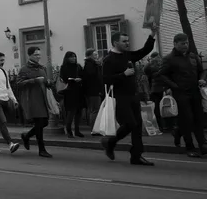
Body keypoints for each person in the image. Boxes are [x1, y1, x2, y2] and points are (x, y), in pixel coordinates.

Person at [101, 29, 156, 166]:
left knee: (137, 126)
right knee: (130, 123)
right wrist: (123, 75)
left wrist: (152, 35)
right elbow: (105, 80)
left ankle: (136, 156)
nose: (127, 43)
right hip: (120, 96)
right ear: (115, 42)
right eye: (124, 41)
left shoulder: (127, 55)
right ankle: (110, 142)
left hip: (133, 94)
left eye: (128, 40)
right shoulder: (108, 60)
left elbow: (144, 51)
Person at [157, 33, 207, 158]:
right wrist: (173, 86)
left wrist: (202, 79)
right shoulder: (169, 59)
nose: (185, 45)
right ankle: (189, 147)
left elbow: (202, 71)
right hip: (181, 93)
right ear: (175, 44)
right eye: (182, 43)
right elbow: (162, 74)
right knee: (188, 119)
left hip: (195, 91)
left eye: (186, 43)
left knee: (198, 118)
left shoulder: (193, 57)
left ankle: (202, 145)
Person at [17, 47, 53, 158]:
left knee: (44, 122)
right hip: (32, 98)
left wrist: (48, 82)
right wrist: (34, 80)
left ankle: (27, 136)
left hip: (42, 98)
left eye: (39, 54)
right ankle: (41, 149)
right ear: (30, 55)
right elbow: (19, 83)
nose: (38, 57)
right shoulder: (24, 69)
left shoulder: (42, 68)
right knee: (39, 123)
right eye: (36, 55)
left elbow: (46, 82)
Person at [60, 51, 85, 138]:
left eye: (74, 57)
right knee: (71, 111)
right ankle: (69, 130)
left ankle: (77, 130)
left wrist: (80, 79)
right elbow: (63, 78)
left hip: (79, 90)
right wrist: (72, 79)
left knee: (79, 112)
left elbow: (83, 76)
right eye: (71, 57)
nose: (73, 58)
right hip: (69, 91)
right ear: (67, 58)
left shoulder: (78, 66)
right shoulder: (64, 67)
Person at [82, 49, 104, 134]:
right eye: (95, 54)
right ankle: (94, 128)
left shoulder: (89, 64)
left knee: (92, 109)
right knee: (95, 110)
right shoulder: (91, 65)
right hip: (93, 91)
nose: (97, 56)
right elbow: (95, 78)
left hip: (91, 91)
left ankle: (93, 127)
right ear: (90, 55)